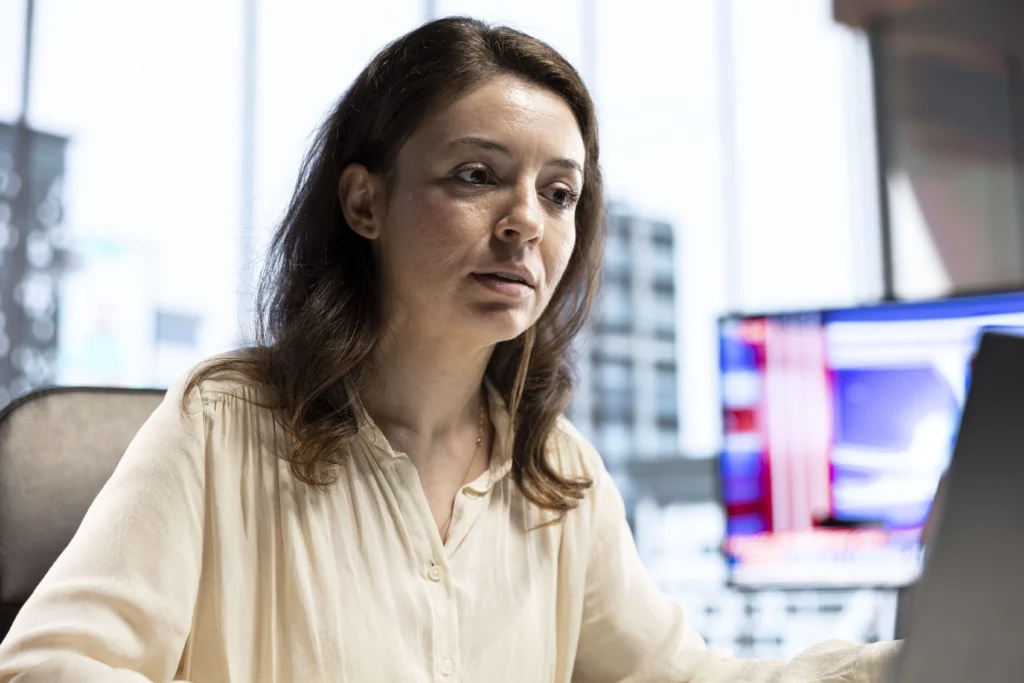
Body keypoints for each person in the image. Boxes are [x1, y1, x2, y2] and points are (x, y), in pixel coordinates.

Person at [0, 16, 898, 683]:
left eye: (558, 193)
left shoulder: (557, 473)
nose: (525, 224)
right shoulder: (223, 421)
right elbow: (53, 664)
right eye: (477, 177)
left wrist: (906, 663)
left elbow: (672, 673)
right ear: (364, 204)